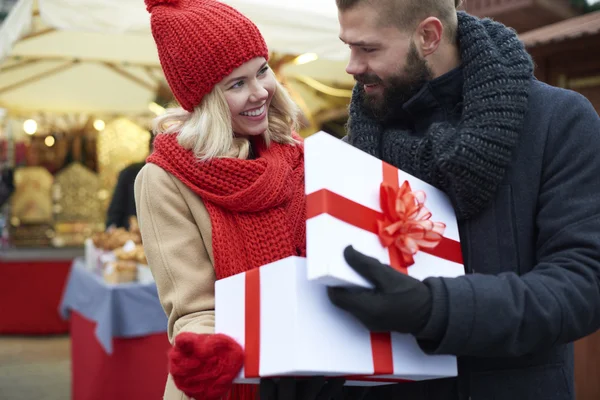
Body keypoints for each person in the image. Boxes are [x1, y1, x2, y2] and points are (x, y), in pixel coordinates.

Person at [326, 1, 600, 399]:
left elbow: (584, 283)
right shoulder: (351, 152)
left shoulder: (557, 121)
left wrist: (435, 309)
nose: (352, 65)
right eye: (348, 46)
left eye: (368, 49)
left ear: (428, 36)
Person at [135, 0, 346, 399]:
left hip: (322, 377)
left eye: (262, 71)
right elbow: (194, 308)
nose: (260, 92)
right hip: (234, 381)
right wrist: (205, 352)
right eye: (236, 84)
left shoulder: (300, 156)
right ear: (205, 98)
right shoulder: (164, 180)